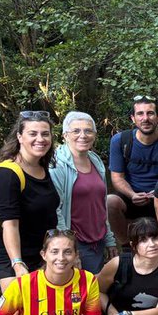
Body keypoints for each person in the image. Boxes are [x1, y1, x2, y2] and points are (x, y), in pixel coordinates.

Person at [107, 95, 158, 245]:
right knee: (110, 201)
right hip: (132, 197)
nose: (145, 118)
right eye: (140, 114)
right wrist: (132, 194)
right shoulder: (121, 141)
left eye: (150, 113)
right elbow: (117, 178)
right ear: (133, 118)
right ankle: (126, 246)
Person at [51, 111, 116, 274]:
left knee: (94, 291)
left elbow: (101, 205)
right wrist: (68, 248)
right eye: (76, 131)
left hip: (98, 241)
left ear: (94, 135)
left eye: (88, 131)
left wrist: (109, 239)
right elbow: (56, 209)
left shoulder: (95, 160)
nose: (83, 135)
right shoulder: (56, 165)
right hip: (76, 242)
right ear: (65, 135)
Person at [0, 111, 59, 287]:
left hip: (41, 255)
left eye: (45, 133)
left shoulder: (41, 166)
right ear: (19, 137)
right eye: (32, 133)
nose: (40, 139)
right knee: (16, 312)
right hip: (12, 258)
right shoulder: (8, 173)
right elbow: (9, 224)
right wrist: (17, 264)